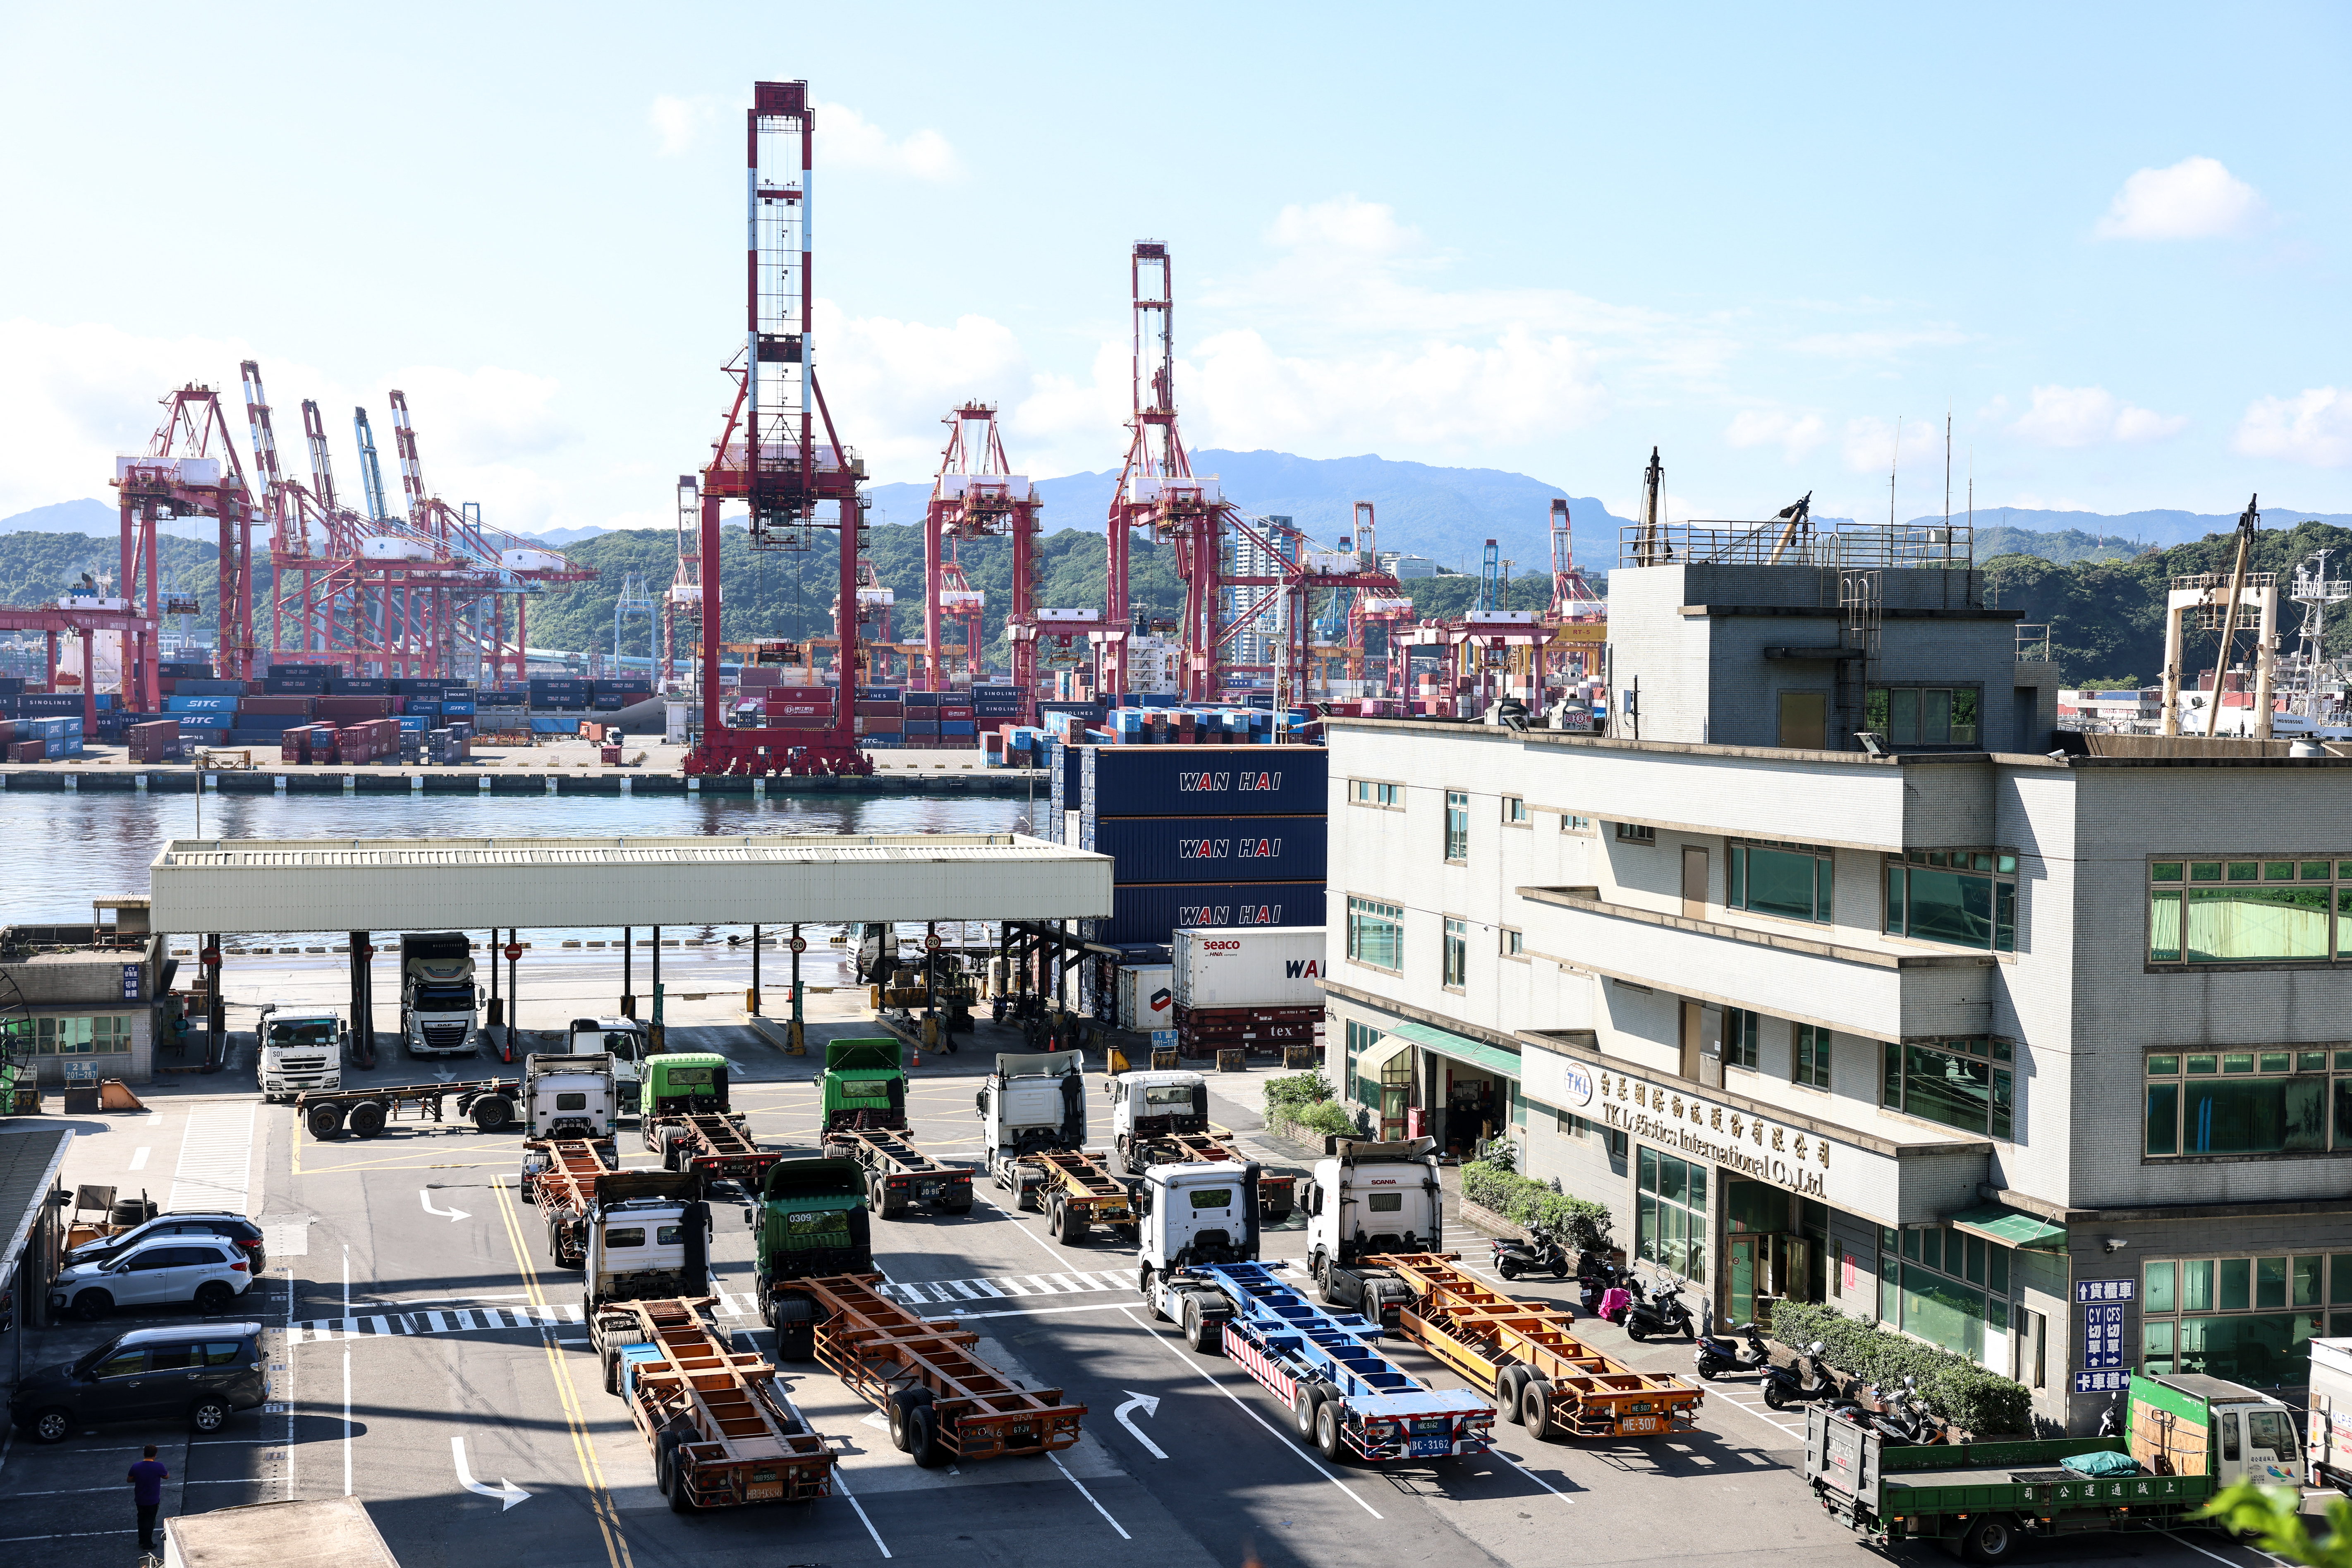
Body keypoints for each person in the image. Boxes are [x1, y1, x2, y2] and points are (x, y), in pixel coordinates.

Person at [128, 1445, 167, 1551]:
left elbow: (130, 1479)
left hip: (140, 1499)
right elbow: (166, 1476)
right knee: (150, 1521)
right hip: (153, 1500)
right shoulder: (159, 1466)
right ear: (155, 1455)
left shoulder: (136, 1466)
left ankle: (141, 1541)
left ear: (144, 1454)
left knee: (141, 1519)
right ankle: (147, 1544)